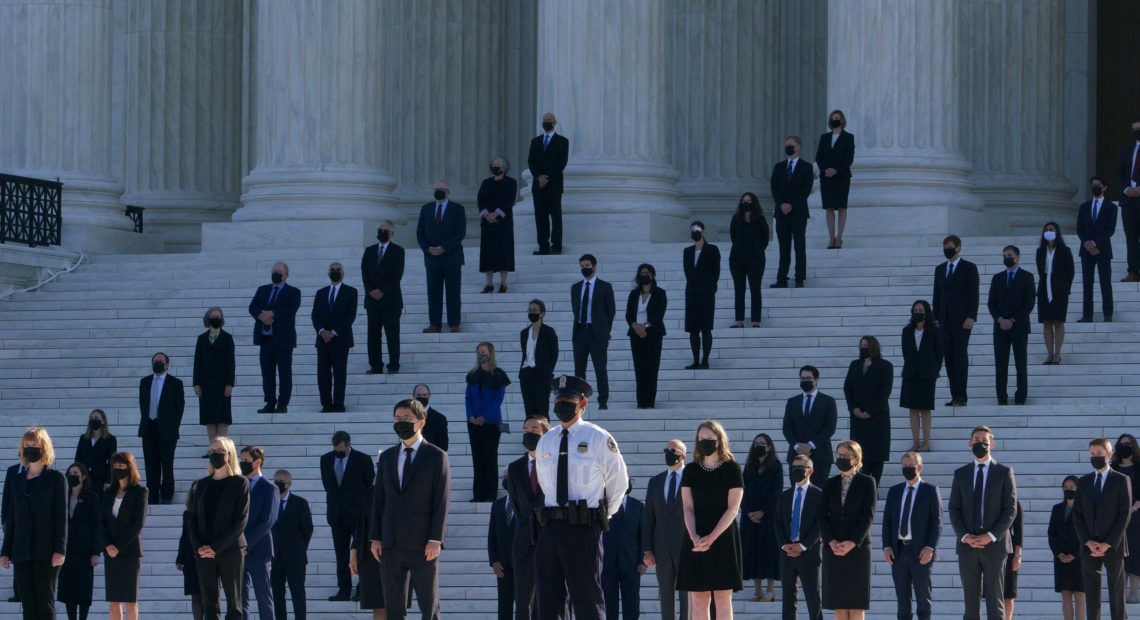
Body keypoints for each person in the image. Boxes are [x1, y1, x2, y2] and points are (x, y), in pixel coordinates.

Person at [532, 375, 628, 618]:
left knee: (587, 598)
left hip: (584, 527)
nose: (561, 404)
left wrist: (603, 514)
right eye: (558, 399)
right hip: (551, 526)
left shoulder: (597, 437)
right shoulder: (547, 441)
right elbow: (545, 483)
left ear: (582, 404)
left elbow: (618, 481)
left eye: (568, 399)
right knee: (548, 599)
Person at [369, 399, 452, 620]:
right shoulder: (386, 457)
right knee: (394, 609)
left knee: (429, 606)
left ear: (421, 422)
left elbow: (441, 500)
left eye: (406, 419)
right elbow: (379, 500)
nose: (400, 423)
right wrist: (375, 537)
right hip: (391, 542)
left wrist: (436, 538)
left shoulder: (436, 456)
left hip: (423, 543)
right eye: (397, 418)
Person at [948, 425, 1018, 620]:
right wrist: (965, 536)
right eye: (977, 440)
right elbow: (954, 509)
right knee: (971, 603)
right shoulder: (961, 474)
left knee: (996, 602)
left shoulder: (1004, 472)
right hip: (967, 547)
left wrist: (991, 536)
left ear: (992, 444)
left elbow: (1010, 509)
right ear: (970, 443)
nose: (980, 443)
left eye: (984, 441)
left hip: (995, 546)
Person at [676, 420, 744, 619]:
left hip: (722, 537)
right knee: (698, 599)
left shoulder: (732, 469)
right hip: (695, 537)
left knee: (723, 598)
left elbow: (733, 509)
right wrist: (695, 536)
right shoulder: (690, 470)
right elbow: (687, 507)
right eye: (701, 438)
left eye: (709, 438)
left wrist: (711, 537)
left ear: (719, 440)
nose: (704, 442)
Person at [0, 428, 66, 620]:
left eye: (35, 445)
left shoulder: (56, 478)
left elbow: (61, 516)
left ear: (44, 448)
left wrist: (60, 549)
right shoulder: (14, 476)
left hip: (46, 550)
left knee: (45, 602)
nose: (30, 449)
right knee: (28, 604)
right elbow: (11, 516)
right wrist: (5, 551)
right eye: (27, 445)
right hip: (21, 549)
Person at [191, 436, 250, 620]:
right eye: (212, 452)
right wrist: (200, 547)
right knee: (209, 603)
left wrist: (216, 547)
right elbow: (192, 519)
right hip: (203, 552)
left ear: (229, 454)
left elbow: (241, 520)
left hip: (230, 549)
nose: (215, 455)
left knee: (234, 604)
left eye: (219, 451)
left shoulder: (240, 482)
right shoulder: (202, 484)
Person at [1074, 438, 1131, 620]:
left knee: (1116, 594)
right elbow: (1077, 515)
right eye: (1092, 454)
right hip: (1089, 546)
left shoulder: (1121, 480)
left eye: (1099, 453)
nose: (1095, 457)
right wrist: (1087, 541)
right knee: (1091, 595)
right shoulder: (1083, 482)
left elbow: (1124, 515)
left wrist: (1108, 543)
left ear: (1109, 454)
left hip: (1113, 546)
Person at [819, 439, 876, 620]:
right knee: (840, 605)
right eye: (839, 455)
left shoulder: (867, 482)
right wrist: (831, 541)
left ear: (856, 458)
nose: (841, 458)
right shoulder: (830, 483)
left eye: (846, 456)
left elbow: (868, 516)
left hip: (857, 550)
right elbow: (822, 516)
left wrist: (852, 542)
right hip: (834, 549)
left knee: (856, 605)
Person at [882, 451, 942, 620]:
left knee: (923, 600)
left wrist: (930, 547)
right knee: (902, 601)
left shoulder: (930, 491)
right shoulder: (894, 491)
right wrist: (887, 546)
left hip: (920, 552)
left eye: (911, 466)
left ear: (919, 467)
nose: (908, 469)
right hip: (898, 551)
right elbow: (887, 521)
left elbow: (937, 522)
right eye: (905, 466)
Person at [320, 430, 375, 602]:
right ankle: (344, 589)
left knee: (362, 553)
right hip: (337, 516)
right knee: (341, 554)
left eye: (341, 450)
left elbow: (369, 484)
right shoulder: (326, 459)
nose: (339, 453)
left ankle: (362, 588)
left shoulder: (363, 459)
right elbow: (328, 485)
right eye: (336, 449)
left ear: (349, 445)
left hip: (359, 515)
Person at [506, 416, 552, 620]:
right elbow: (516, 503)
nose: (528, 433)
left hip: (550, 537)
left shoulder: (556, 464)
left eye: (534, 429)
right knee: (523, 598)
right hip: (524, 539)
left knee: (552, 596)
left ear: (545, 434)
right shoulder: (515, 468)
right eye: (525, 429)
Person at [642, 439, 689, 620]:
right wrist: (647, 549)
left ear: (683, 455)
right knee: (666, 594)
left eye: (673, 450)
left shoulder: (691, 480)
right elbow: (648, 518)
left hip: (686, 547)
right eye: (666, 450)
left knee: (687, 595)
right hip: (661, 548)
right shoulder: (655, 481)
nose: (669, 453)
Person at [932, 234, 979, 407]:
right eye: (945, 247)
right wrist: (935, 318)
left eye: (950, 246)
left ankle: (962, 395)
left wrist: (971, 316)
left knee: (960, 356)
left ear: (958, 247)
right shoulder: (940, 269)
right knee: (949, 358)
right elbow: (937, 295)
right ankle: (954, 395)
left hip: (962, 321)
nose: (947, 250)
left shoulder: (969, 268)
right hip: (944, 321)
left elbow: (973, 294)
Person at [774, 455, 823, 620]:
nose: (796, 471)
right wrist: (784, 545)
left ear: (810, 471)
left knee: (813, 599)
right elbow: (778, 523)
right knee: (788, 600)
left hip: (809, 553)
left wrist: (803, 545)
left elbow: (820, 525)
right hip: (787, 553)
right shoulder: (784, 495)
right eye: (794, 467)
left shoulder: (819, 495)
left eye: (801, 468)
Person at [248, 261, 301, 414]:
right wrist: (261, 316)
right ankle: (269, 402)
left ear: (286, 275)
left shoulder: (293, 292)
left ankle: (283, 403)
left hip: (284, 340)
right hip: (265, 338)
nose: (275, 275)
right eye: (273, 272)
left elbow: (290, 310)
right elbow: (252, 306)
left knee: (284, 372)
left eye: (278, 272)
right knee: (267, 373)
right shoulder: (262, 290)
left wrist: (272, 314)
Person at [987, 245, 1036, 405]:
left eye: (1009, 255)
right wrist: (1000, 319)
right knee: (1001, 363)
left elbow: (1029, 303)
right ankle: (1001, 396)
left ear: (1018, 256)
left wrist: (1013, 320)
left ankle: (1020, 396)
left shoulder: (1027, 277)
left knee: (1020, 363)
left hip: (1019, 326)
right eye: (1004, 255)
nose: (1007, 258)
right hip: (1000, 327)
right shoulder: (997, 278)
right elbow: (991, 303)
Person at [102, 451, 147, 620]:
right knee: (113, 600)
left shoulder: (140, 492)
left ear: (130, 468)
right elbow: (101, 522)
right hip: (111, 553)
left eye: (121, 466)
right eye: (115, 466)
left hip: (130, 552)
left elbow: (138, 524)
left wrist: (118, 546)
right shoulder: (108, 493)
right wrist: (108, 545)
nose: (118, 469)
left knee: (130, 600)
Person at [842, 336, 893, 485]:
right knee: (859, 452)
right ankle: (861, 484)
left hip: (877, 417)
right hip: (857, 418)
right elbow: (847, 388)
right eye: (861, 346)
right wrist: (854, 408)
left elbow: (885, 391)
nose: (863, 349)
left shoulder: (885, 366)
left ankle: (874, 485)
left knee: (877, 453)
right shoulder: (854, 365)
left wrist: (870, 410)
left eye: (866, 346)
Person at [417, 180, 466, 333]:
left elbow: (460, 233)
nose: (438, 191)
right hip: (432, 258)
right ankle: (435, 323)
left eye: (441, 189)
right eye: (435, 189)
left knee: (453, 291)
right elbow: (420, 232)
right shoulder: (426, 209)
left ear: (448, 192)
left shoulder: (457, 209)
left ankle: (454, 323)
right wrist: (427, 248)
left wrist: (444, 248)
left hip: (451, 257)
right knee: (433, 292)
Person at [137, 351, 184, 505]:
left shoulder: (175, 383)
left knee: (167, 464)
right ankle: (152, 495)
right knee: (151, 464)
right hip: (149, 427)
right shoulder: (144, 382)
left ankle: (167, 494)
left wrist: (173, 425)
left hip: (167, 430)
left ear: (167, 365)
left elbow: (179, 407)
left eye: (161, 361)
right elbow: (142, 404)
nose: (157, 363)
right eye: (155, 360)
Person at [311, 261, 359, 413]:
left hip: (341, 340)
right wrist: (322, 331)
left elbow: (350, 316)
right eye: (332, 269)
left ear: (343, 273)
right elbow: (315, 315)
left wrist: (334, 333)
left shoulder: (351, 292)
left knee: (339, 373)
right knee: (323, 374)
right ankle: (326, 404)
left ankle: (338, 404)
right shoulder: (321, 293)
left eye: (338, 269)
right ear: (328, 273)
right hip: (322, 340)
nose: (335, 271)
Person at [466, 342, 510, 502]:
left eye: (483, 351)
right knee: (477, 458)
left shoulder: (498, 375)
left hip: (491, 424)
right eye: (478, 351)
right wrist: (471, 416)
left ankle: (491, 493)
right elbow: (468, 398)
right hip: (473, 424)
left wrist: (484, 417)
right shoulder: (472, 375)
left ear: (490, 353)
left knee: (490, 457)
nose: (481, 354)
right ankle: (478, 494)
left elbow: (497, 400)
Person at [740, 433, 782, 603]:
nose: (759, 445)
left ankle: (770, 591)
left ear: (769, 447)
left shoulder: (775, 466)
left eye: (762, 443)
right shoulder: (749, 466)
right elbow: (741, 489)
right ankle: (757, 591)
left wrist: (763, 511)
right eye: (756, 443)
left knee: (769, 552)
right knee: (753, 552)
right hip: (750, 518)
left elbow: (777, 491)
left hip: (768, 517)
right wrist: (748, 511)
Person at [571, 254, 616, 409]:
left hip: (597, 334)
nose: (585, 268)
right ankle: (579, 400)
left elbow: (611, 311)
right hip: (580, 332)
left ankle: (603, 400)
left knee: (600, 369)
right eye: (582, 266)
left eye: (587, 265)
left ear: (594, 266)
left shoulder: (604, 286)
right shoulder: (576, 287)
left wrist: (604, 330)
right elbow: (575, 308)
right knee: (579, 370)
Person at [361, 220, 405, 374]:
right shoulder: (369, 251)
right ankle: (376, 365)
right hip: (372, 301)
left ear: (392, 233)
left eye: (385, 230)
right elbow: (364, 273)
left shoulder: (398, 251)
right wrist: (371, 290)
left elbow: (396, 275)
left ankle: (394, 365)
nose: (381, 232)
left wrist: (382, 291)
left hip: (391, 301)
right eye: (380, 229)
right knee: (373, 335)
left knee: (392, 335)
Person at [782, 365, 838, 488]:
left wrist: (810, 445)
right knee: (797, 492)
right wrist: (797, 446)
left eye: (808, 378)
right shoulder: (792, 402)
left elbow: (830, 428)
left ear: (816, 380)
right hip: (796, 456)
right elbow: (786, 427)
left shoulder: (828, 401)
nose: (805, 381)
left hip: (820, 456)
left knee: (818, 495)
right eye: (802, 378)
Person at [769, 135, 814, 288]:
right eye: (787, 144)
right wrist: (781, 204)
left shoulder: (806, 167)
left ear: (798, 147)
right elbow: (774, 187)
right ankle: (782, 278)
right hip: (781, 213)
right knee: (783, 247)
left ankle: (799, 277)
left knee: (799, 246)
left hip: (798, 212)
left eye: (792, 145)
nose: (789, 147)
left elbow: (805, 190)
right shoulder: (779, 167)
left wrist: (791, 205)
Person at [240, 446, 279, 620]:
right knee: (239, 598)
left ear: (258, 462)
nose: (242, 464)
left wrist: (246, 543)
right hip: (238, 550)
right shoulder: (239, 485)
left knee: (263, 596)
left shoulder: (269, 488)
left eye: (246, 461)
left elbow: (268, 521)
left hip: (260, 550)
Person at [900, 300, 944, 452]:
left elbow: (939, 354)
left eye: (921, 310)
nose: (918, 312)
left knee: (925, 409)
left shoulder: (934, 331)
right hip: (911, 374)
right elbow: (906, 352)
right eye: (916, 310)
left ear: (926, 312)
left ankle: (926, 442)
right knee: (913, 409)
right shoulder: (907, 331)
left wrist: (932, 370)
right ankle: (916, 442)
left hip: (927, 375)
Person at [58, 463, 101, 620]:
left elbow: (97, 526)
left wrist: (96, 552)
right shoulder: (62, 496)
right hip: (66, 551)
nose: (72, 475)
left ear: (83, 477)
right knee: (69, 590)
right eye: (70, 472)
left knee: (83, 589)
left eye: (76, 473)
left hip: (84, 551)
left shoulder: (92, 498)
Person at [270, 470, 312, 620]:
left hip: (295, 557)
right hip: (275, 557)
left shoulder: (300, 503)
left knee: (297, 592)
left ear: (289, 483)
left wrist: (299, 548)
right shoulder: (270, 502)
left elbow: (307, 529)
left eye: (281, 481)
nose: (278, 484)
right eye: (275, 480)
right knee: (277, 593)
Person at [527, 112, 569, 255]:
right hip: (538, 186)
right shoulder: (535, 141)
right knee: (540, 217)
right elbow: (531, 162)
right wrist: (539, 177)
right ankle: (543, 247)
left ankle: (556, 246)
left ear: (555, 122)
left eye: (549, 120)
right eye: (545, 120)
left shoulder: (563, 141)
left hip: (554, 185)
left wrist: (547, 177)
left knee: (556, 217)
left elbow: (561, 163)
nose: (547, 122)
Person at [626, 263, 667, 408]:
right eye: (642, 273)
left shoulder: (660, 293)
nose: (644, 276)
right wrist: (635, 326)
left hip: (653, 334)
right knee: (639, 368)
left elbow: (659, 315)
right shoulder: (633, 294)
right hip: (635, 334)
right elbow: (629, 314)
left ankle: (650, 401)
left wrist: (646, 327)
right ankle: (640, 401)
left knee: (651, 368)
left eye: (647, 273)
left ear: (652, 275)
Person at [603, 480, 645, 620]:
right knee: (608, 603)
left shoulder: (638, 506)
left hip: (632, 563)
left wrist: (642, 561)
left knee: (632, 603)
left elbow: (642, 535)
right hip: (607, 563)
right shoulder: (604, 505)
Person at [193, 306, 235, 443]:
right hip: (206, 384)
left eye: (218, 317)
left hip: (222, 383)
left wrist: (230, 383)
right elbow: (197, 361)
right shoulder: (201, 339)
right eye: (213, 317)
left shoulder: (227, 338)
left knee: (222, 417)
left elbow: (231, 362)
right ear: (208, 319)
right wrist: (196, 383)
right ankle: (213, 447)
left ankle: (222, 447)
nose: (216, 319)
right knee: (209, 417)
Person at [1076, 177, 1116, 323]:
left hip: (1103, 250)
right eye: (1093, 185)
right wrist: (1087, 243)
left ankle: (1108, 314)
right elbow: (1080, 228)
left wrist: (1094, 243)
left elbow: (1109, 230)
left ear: (1104, 187)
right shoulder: (1084, 207)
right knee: (1087, 284)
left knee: (1105, 283)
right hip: (1086, 250)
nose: (1095, 187)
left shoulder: (1111, 207)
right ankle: (1087, 315)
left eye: (1098, 185)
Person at [1036, 222, 1076, 363]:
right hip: (1044, 290)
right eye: (1046, 229)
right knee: (1047, 322)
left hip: (1059, 290)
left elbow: (1070, 271)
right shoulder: (1040, 251)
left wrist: (1064, 286)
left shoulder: (1065, 250)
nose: (1048, 232)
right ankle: (1049, 354)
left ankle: (1057, 354)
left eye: (1051, 229)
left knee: (1058, 322)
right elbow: (1040, 270)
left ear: (1057, 232)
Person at [815, 110, 855, 249]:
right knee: (829, 207)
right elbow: (819, 156)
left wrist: (836, 169)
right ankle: (831, 238)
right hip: (826, 177)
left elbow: (849, 158)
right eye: (832, 118)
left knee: (842, 206)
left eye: (837, 118)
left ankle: (839, 237)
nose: (834, 120)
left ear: (842, 120)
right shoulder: (824, 137)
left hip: (842, 176)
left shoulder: (849, 137)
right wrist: (825, 169)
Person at [728, 192, 769, 328]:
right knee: (739, 290)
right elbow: (733, 236)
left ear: (754, 202)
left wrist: (757, 249)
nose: (746, 203)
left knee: (755, 290)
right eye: (744, 200)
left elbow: (765, 238)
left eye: (749, 200)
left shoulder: (760, 219)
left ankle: (755, 320)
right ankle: (739, 320)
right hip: (737, 260)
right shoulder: (736, 219)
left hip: (756, 260)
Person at [478, 155, 518, 293]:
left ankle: (503, 283)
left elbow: (509, 200)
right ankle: (489, 284)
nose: (495, 167)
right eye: (493, 164)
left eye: (498, 164)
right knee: (487, 253)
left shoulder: (511, 182)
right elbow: (480, 200)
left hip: (503, 224)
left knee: (503, 253)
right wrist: (486, 215)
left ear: (504, 167)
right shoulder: (486, 183)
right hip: (487, 223)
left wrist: (496, 214)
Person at [683, 221, 720, 369]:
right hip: (692, 293)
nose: (695, 231)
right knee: (693, 329)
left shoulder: (712, 249)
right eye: (692, 229)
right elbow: (688, 272)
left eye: (697, 229)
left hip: (706, 293)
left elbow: (715, 272)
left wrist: (710, 286)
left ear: (703, 231)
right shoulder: (687, 251)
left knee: (706, 328)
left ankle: (705, 360)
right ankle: (695, 360)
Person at [1048, 475, 1085, 620]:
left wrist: (1075, 554)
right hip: (1061, 558)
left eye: (1071, 487)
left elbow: (1086, 534)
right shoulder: (1057, 508)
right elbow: (1051, 533)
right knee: (1066, 594)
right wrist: (1058, 553)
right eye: (1065, 487)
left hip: (1079, 558)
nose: (1068, 490)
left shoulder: (1083, 509)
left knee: (1080, 594)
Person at [1109, 434, 1140, 602]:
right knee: (1120, 554)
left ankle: (1134, 592)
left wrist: (1133, 507)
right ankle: (1119, 592)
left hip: (1136, 517)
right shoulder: (1113, 468)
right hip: (1116, 517)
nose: (1125, 446)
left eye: (1128, 444)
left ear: (1133, 446)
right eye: (1121, 444)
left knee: (1135, 553)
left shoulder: (1139, 467)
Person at [350, 482, 385, 619]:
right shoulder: (369, 491)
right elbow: (361, 524)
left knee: (395, 606)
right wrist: (354, 552)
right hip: (369, 555)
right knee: (377, 604)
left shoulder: (405, 488)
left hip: (394, 552)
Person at [519, 300, 559, 419]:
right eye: (530, 310)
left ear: (542, 313)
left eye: (534, 310)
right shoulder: (524, 333)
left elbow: (554, 353)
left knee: (542, 409)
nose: (531, 312)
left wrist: (546, 372)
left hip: (542, 375)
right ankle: (530, 435)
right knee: (529, 409)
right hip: (526, 374)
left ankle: (545, 436)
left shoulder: (548, 331)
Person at [488, 470, 516, 620]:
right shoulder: (497, 505)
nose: (505, 480)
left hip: (523, 566)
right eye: (504, 477)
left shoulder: (525, 504)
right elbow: (491, 536)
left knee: (525, 606)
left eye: (508, 477)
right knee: (504, 606)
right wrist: (494, 561)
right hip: (503, 566)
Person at [1116, 118, 1140, 282]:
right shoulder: (1127, 150)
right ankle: (1133, 271)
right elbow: (1120, 173)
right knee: (1131, 238)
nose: (1136, 131)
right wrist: (1126, 189)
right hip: (1128, 201)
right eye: (1134, 129)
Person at [176, 480, 204, 620]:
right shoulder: (188, 513)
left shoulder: (211, 511)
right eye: (193, 491)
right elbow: (184, 536)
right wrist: (180, 557)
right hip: (190, 558)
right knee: (195, 595)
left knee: (209, 595)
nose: (196, 493)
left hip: (208, 557)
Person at [2, 459, 27, 604]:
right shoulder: (12, 471)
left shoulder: (40, 471)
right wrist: (4, 520)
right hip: (14, 521)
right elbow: (6, 497)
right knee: (17, 558)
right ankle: (18, 593)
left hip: (32, 522)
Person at [74, 408, 117, 492]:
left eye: (96, 418)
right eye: (92, 418)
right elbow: (78, 458)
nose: (94, 420)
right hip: (85, 478)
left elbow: (111, 461)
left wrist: (108, 480)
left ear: (103, 421)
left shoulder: (110, 439)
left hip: (100, 479)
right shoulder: (84, 438)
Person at [1002, 500, 1024, 619]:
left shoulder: (1015, 503)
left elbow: (1019, 531)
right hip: (992, 551)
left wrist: (1017, 555)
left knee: (1009, 593)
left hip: (1009, 551)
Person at [413, 385, 449, 451]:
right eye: (419, 395)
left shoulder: (440, 419)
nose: (422, 397)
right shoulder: (407, 417)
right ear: (413, 396)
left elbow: (443, 446)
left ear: (429, 396)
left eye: (424, 395)